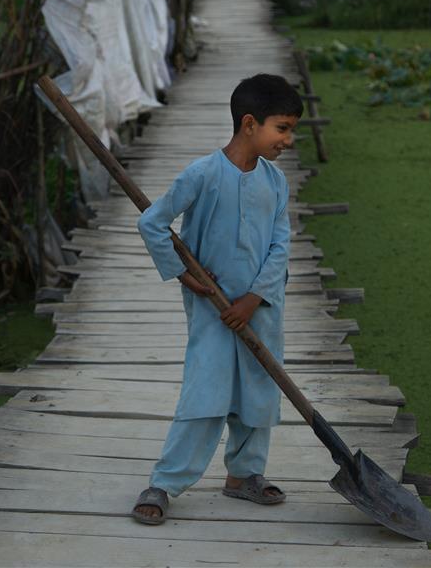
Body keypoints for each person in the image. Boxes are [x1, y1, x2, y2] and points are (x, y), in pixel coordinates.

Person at [131, 73, 302, 524]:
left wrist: (256, 297)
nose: (288, 139)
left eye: (291, 130)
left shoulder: (276, 183)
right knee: (205, 393)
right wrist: (185, 275)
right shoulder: (202, 175)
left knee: (259, 389)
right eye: (281, 128)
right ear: (250, 123)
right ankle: (166, 481)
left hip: (261, 308)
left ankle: (244, 475)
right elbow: (153, 223)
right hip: (211, 307)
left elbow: (280, 246)